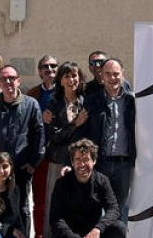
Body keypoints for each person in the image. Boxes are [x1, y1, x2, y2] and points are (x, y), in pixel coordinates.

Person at [0, 63, 45, 230]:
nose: (8, 82)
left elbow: (39, 136)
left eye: (12, 78)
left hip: (21, 168)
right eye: (4, 79)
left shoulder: (31, 105)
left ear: (18, 81)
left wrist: (33, 163)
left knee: (22, 208)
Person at [84, 58, 136, 219]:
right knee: (95, 210)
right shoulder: (92, 101)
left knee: (119, 213)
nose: (112, 78)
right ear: (101, 75)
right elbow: (84, 132)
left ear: (123, 74)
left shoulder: (133, 101)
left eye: (116, 74)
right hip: (100, 164)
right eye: (108, 74)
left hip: (124, 166)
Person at [43, 62, 90, 237]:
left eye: (75, 75)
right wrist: (74, 124)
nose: (72, 80)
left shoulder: (85, 101)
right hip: (58, 160)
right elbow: (54, 136)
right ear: (60, 80)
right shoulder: (53, 104)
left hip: (80, 163)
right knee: (55, 204)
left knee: (78, 205)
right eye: (67, 76)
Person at [49, 139, 126, 238]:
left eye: (86, 160)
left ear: (94, 161)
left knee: (119, 228)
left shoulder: (102, 181)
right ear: (72, 162)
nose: (82, 165)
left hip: (92, 232)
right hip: (69, 232)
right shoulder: (61, 183)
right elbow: (56, 218)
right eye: (78, 160)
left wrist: (98, 228)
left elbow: (113, 209)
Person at [27, 55, 60, 238]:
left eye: (53, 66)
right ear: (39, 71)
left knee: (58, 199)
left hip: (59, 155)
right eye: (45, 66)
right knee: (39, 200)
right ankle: (40, 233)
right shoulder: (32, 94)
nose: (49, 69)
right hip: (39, 154)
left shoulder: (65, 92)